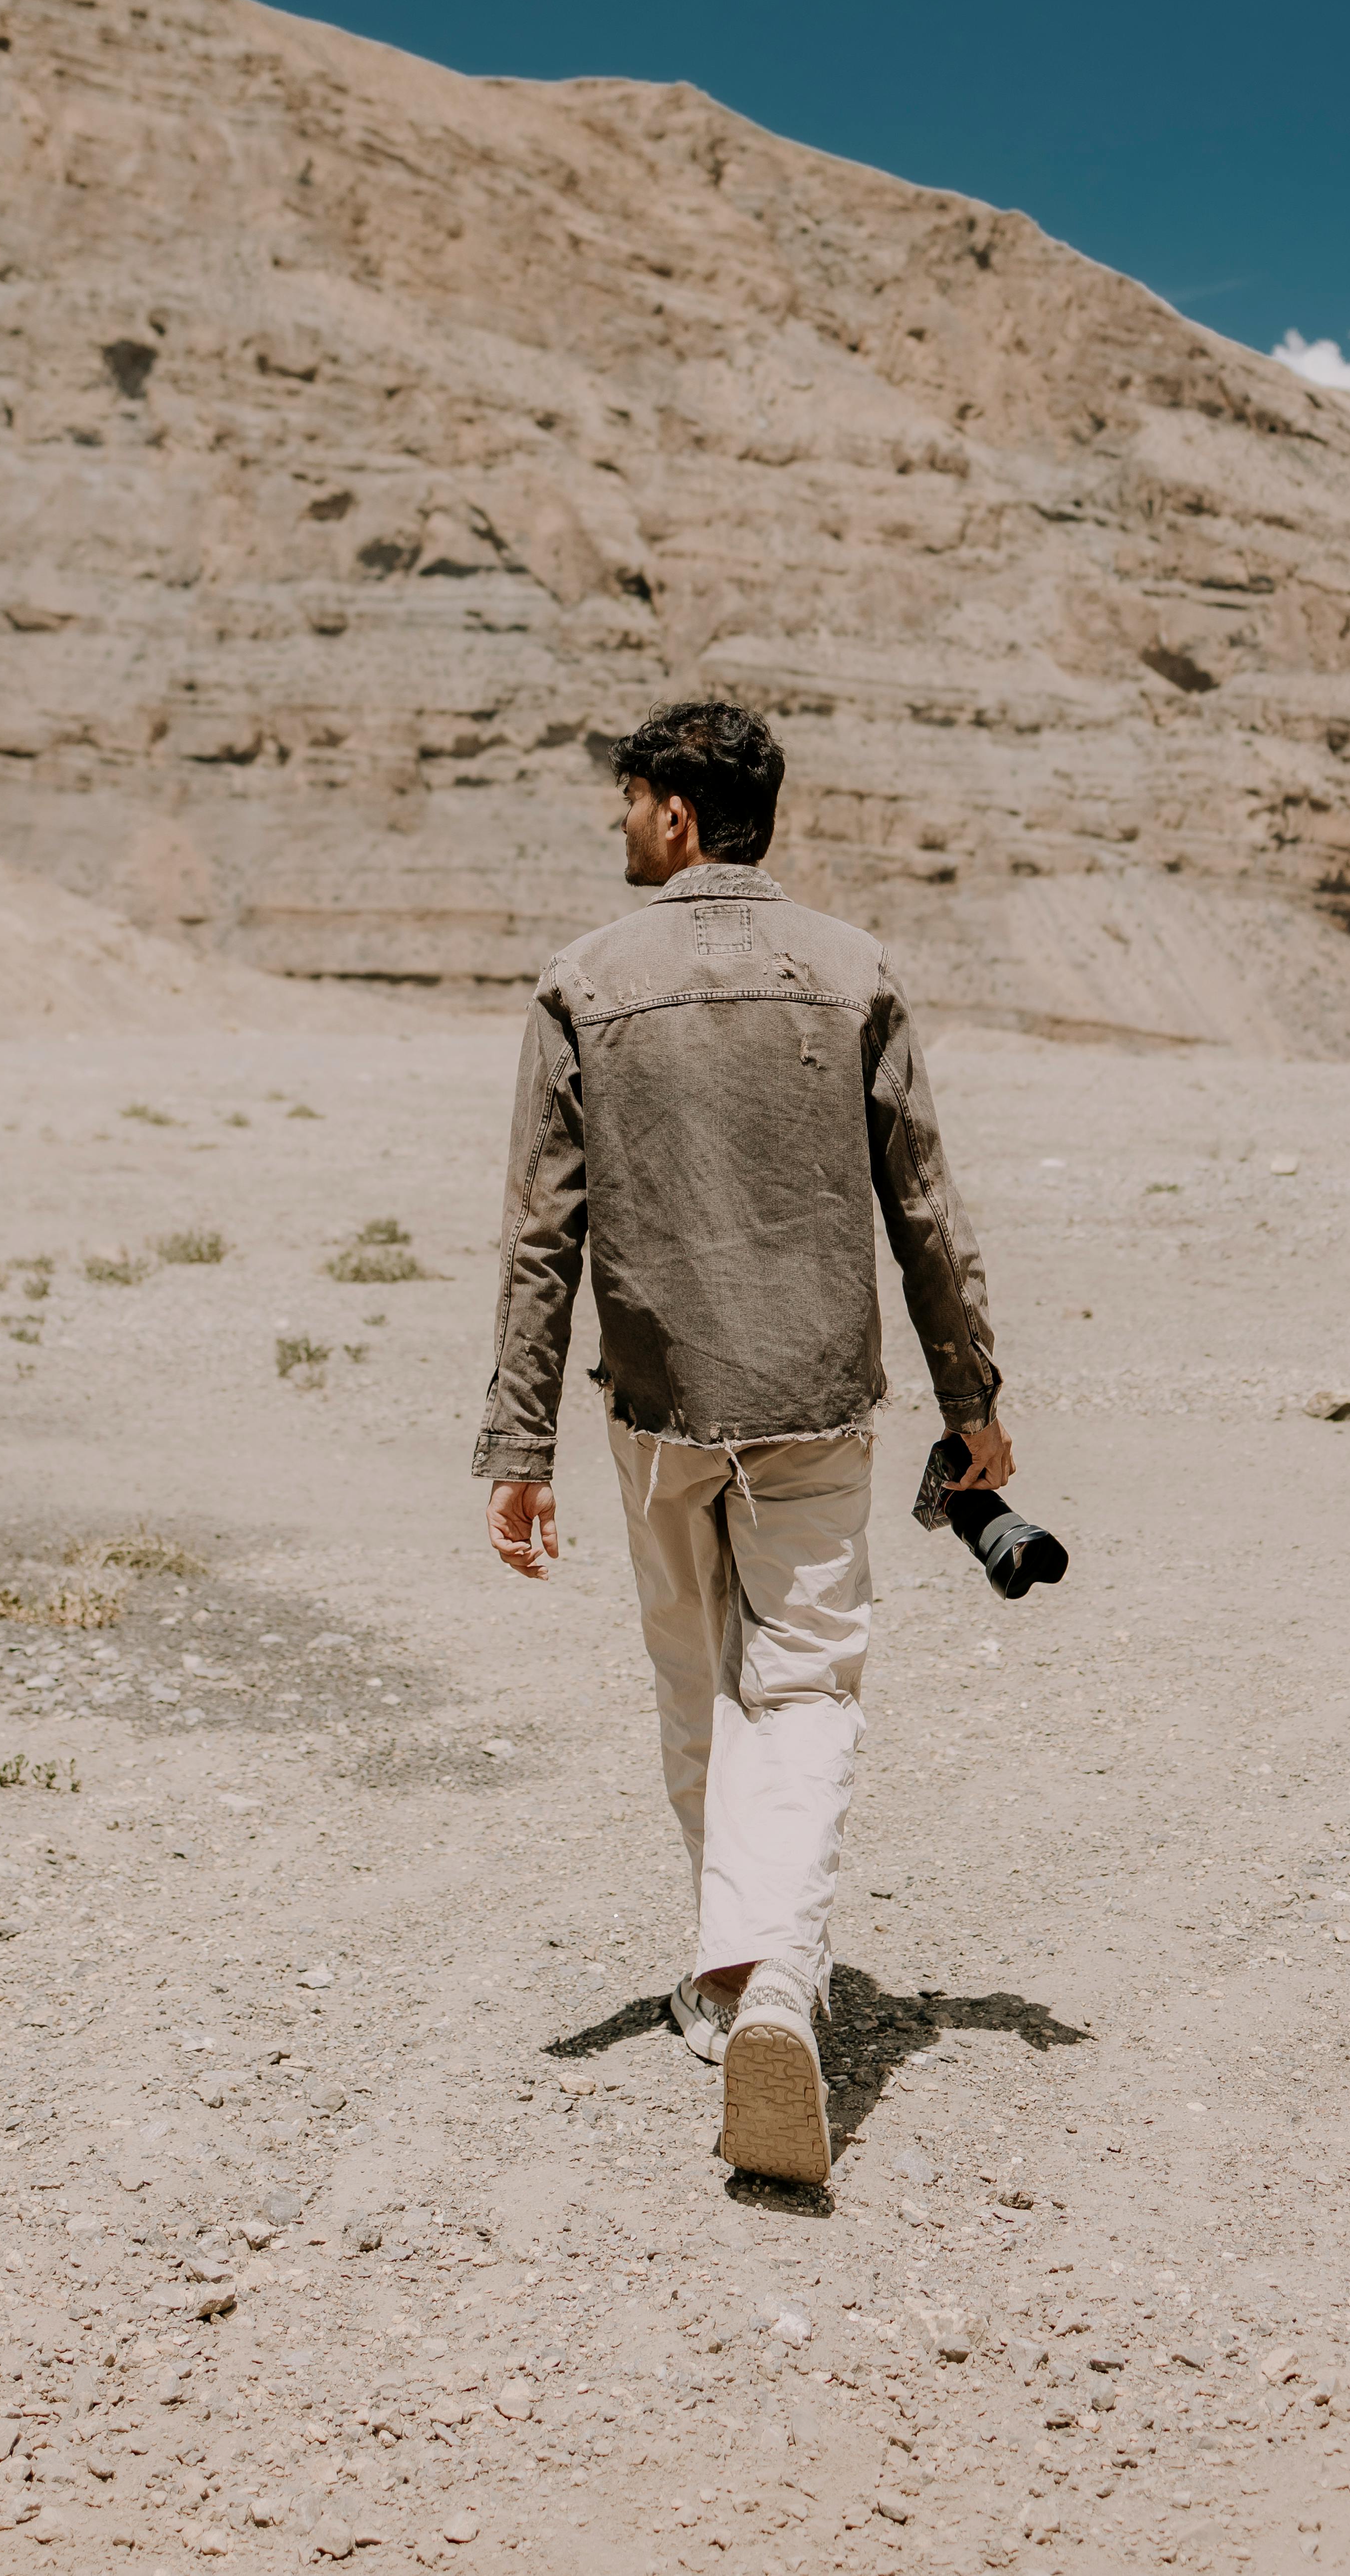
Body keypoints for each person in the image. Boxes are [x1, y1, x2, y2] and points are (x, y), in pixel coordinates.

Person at [473, 698, 1013, 2188]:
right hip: (819, 1403)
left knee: (695, 1687)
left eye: (628, 799)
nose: (619, 823)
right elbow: (925, 1217)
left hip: (657, 1413)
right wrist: (971, 1400)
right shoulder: (853, 972)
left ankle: (734, 1985)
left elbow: (543, 1236)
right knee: (806, 1684)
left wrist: (518, 1443)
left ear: (672, 813)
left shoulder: (584, 980)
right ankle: (776, 1977)